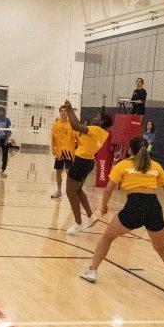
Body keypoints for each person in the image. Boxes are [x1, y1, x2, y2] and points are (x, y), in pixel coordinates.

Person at [79, 137, 164, 297]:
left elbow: (109, 188)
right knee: (163, 249)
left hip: (134, 206)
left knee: (107, 237)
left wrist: (104, 205)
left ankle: (92, 271)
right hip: (154, 207)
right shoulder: (156, 165)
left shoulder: (122, 165)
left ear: (130, 150)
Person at [62, 99, 111, 234]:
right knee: (77, 191)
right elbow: (78, 125)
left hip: (82, 162)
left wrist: (69, 109)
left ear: (101, 122)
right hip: (88, 161)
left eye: (97, 117)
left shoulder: (95, 129)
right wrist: (70, 111)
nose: (94, 118)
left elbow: (75, 125)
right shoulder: (102, 132)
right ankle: (90, 216)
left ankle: (78, 222)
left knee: (70, 191)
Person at [50, 105, 77, 199]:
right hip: (59, 152)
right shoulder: (55, 124)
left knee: (68, 172)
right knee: (58, 172)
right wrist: (53, 148)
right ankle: (59, 191)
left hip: (68, 152)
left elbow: (76, 139)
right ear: (59, 112)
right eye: (61, 111)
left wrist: (76, 151)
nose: (63, 112)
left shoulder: (71, 125)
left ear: (68, 113)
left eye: (65, 111)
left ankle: (71, 191)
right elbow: (53, 138)